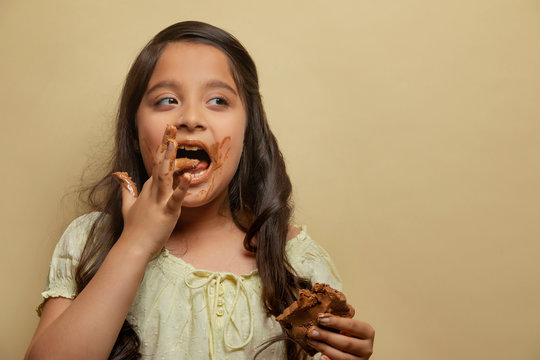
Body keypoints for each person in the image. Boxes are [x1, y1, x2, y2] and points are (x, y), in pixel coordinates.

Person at [25, 21, 374, 360]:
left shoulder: (297, 261)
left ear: (247, 132)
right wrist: (136, 242)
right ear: (134, 131)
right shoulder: (92, 240)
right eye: (166, 100)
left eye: (218, 100)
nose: (190, 118)